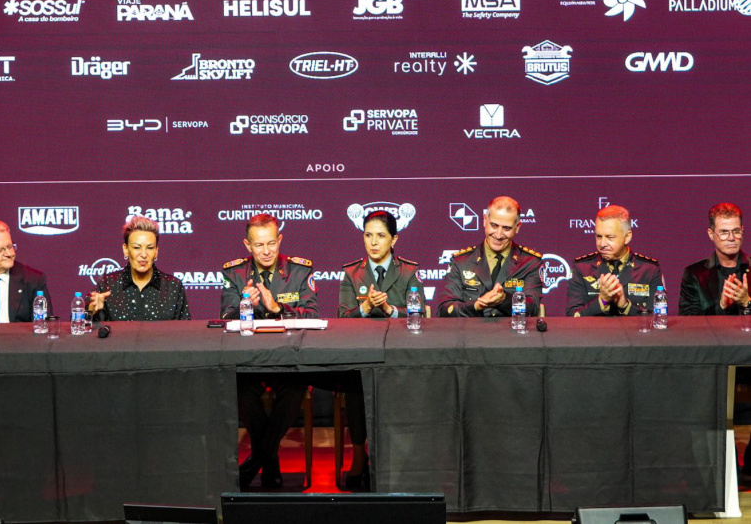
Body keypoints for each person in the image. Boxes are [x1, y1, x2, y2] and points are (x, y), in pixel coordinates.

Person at [219, 213, 317, 488]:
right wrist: (243, 305)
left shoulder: (299, 271)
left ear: (280, 239)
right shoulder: (234, 273)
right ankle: (269, 461)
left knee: (296, 389)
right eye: (259, 245)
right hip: (249, 361)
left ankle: (255, 461)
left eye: (272, 243)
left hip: (288, 360)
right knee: (241, 392)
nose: (266, 251)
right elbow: (225, 319)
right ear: (247, 246)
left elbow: (312, 314)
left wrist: (277, 309)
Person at [338, 210, 424, 488]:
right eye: (368, 235)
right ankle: (359, 453)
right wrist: (364, 308)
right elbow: (341, 319)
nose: (373, 242)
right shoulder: (352, 273)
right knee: (354, 381)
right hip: (361, 353)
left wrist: (389, 309)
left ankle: (394, 456)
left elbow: (420, 314)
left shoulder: (408, 272)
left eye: (381, 236)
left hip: (399, 355)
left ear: (394, 239)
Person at [438, 196, 543, 317]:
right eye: (494, 225)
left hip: (512, 334)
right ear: (484, 220)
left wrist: (504, 300)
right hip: (470, 334)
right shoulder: (461, 261)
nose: (498, 235)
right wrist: (476, 306)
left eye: (506, 228)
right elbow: (444, 310)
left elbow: (532, 308)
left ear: (517, 227)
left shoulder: (530, 263)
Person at [566, 205, 663, 316]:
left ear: (627, 237)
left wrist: (625, 306)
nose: (602, 244)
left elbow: (658, 320)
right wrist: (602, 301)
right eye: (598, 236)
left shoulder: (649, 270)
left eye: (610, 237)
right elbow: (572, 317)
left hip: (633, 333)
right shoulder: (582, 268)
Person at [88, 216, 190, 321]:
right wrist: (91, 311)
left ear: (156, 251)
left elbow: (186, 331)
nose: (144, 254)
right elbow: (78, 327)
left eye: (150, 248)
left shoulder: (173, 286)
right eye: (137, 247)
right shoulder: (107, 283)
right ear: (126, 249)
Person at [679, 203, 750, 315]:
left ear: (742, 230)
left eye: (736, 231)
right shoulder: (695, 274)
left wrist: (747, 302)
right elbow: (688, 323)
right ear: (711, 234)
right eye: (724, 232)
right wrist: (721, 306)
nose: (731, 238)